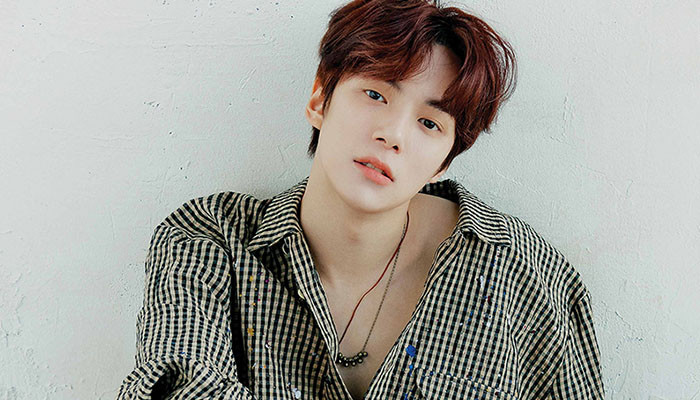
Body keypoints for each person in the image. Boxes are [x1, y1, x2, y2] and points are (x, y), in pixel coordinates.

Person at [117, 0, 604, 399]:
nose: (393, 135)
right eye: (375, 95)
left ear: (444, 162)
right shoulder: (211, 239)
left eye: (429, 123)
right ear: (319, 100)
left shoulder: (523, 274)